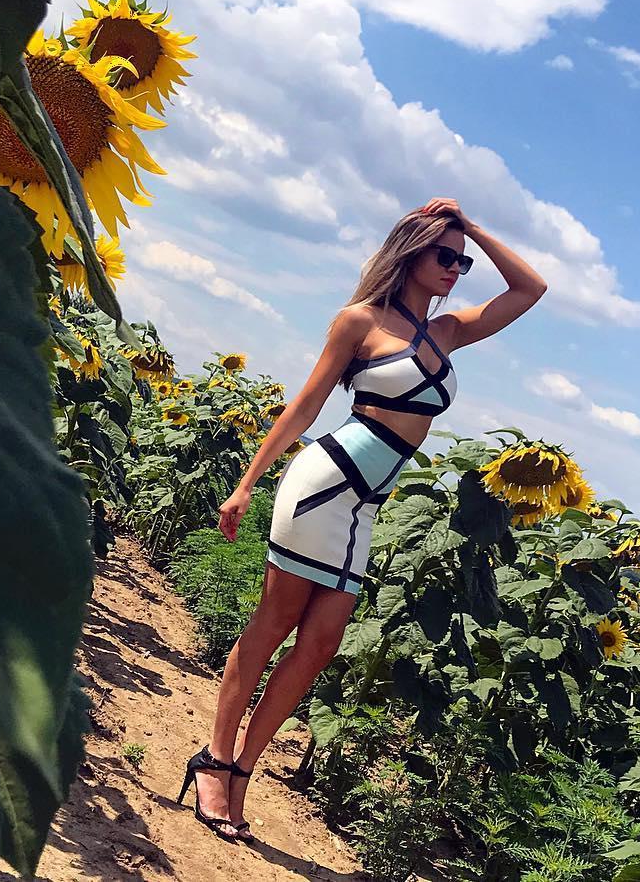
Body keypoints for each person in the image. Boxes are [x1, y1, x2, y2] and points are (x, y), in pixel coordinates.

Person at [177, 197, 548, 841]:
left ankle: (243, 772)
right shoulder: (361, 321)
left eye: (462, 261)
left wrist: (472, 227)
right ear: (411, 252)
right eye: (445, 255)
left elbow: (530, 289)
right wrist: (245, 485)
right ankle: (215, 761)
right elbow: (305, 406)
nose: (456, 268)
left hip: (365, 507)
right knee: (272, 626)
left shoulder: (448, 332)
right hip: (325, 485)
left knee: (319, 647)